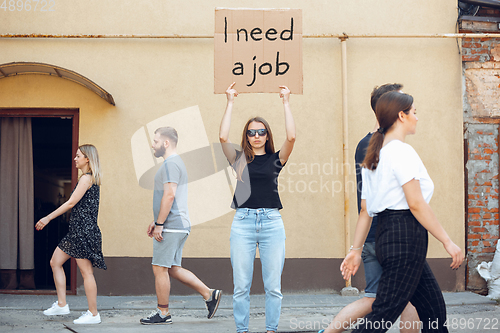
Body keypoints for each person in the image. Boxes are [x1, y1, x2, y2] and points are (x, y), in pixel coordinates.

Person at [339, 91, 463, 333]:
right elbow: (416, 203)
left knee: (434, 311)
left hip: (389, 237)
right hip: (405, 237)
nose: (417, 117)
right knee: (383, 314)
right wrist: (448, 242)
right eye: (414, 112)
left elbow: (366, 210)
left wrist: (356, 251)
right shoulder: (401, 151)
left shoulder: (374, 155)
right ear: (401, 116)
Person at [320, 84, 419, 333]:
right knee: (393, 301)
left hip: (373, 237)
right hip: (388, 236)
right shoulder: (387, 146)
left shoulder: (367, 143)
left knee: (383, 299)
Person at [219, 82, 296, 333]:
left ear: (267, 135)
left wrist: (286, 102)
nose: (256, 136)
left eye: (261, 132)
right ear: (247, 136)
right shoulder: (239, 159)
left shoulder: (277, 159)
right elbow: (222, 137)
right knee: (241, 285)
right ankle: (242, 330)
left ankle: (271, 329)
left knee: (273, 286)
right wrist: (230, 102)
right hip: (243, 223)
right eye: (251, 132)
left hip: (272, 222)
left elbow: (292, 137)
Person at [140, 127, 222, 325]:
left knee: (159, 268)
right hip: (176, 224)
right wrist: (156, 220)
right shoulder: (174, 164)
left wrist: (160, 223)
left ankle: (163, 313)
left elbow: (170, 195)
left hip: (172, 225)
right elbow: (168, 197)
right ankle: (209, 294)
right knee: (173, 268)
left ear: (166, 143)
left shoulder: (171, 164)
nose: (152, 144)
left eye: (155, 140)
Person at [36, 144, 106, 325]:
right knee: (55, 262)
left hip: (83, 231)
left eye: (78, 156)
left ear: (87, 159)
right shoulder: (87, 178)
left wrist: (48, 217)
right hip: (76, 231)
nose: (75, 159)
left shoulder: (87, 179)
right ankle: (61, 304)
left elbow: (70, 203)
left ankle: (93, 314)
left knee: (86, 272)